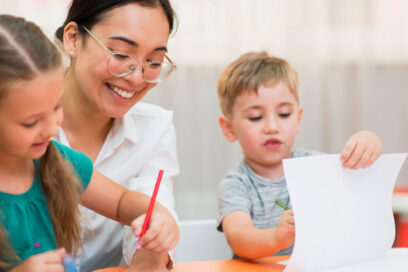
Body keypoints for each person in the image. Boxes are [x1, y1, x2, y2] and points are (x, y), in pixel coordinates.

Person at [0, 14, 178, 272]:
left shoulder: (55, 159)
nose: (51, 128)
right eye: (31, 122)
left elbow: (120, 202)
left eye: (57, 107)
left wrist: (158, 217)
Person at [216, 51, 382, 259]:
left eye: (284, 114)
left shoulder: (314, 165)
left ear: (298, 119)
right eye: (256, 117)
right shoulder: (236, 183)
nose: (272, 127)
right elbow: (239, 237)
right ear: (229, 128)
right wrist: (276, 238)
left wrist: (368, 142)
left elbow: (357, 188)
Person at [54, 0, 179, 271]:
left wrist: (154, 242)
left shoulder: (155, 128)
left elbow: (139, 208)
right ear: (73, 39)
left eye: (154, 61)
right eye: (121, 54)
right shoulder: (27, 134)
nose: (136, 78)